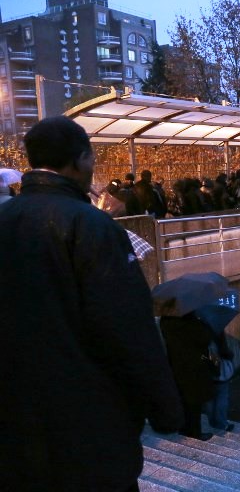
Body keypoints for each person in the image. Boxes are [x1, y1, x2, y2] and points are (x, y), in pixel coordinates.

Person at [0, 116, 184, 491]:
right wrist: (165, 406)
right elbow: (127, 326)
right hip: (87, 421)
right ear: (81, 159)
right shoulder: (93, 227)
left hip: (16, 418)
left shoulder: (5, 218)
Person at [159, 312, 216, 441]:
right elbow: (205, 338)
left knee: (183, 398)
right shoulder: (191, 322)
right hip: (194, 366)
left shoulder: (165, 320)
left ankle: (184, 427)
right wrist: (202, 322)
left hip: (175, 364)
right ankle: (195, 431)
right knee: (195, 401)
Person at [203, 330, 235, 433]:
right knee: (222, 397)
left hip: (206, 374)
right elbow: (227, 353)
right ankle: (221, 423)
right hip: (221, 373)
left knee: (209, 398)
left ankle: (212, 421)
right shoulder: (217, 335)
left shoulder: (200, 336)